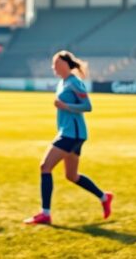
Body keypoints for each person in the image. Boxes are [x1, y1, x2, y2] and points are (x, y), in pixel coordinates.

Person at [24, 51, 113, 225]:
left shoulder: (74, 82)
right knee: (71, 176)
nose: (53, 67)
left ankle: (45, 214)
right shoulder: (63, 83)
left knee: (45, 166)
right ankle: (104, 197)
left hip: (72, 134)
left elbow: (87, 106)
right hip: (69, 133)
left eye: (56, 63)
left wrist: (65, 105)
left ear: (65, 64)